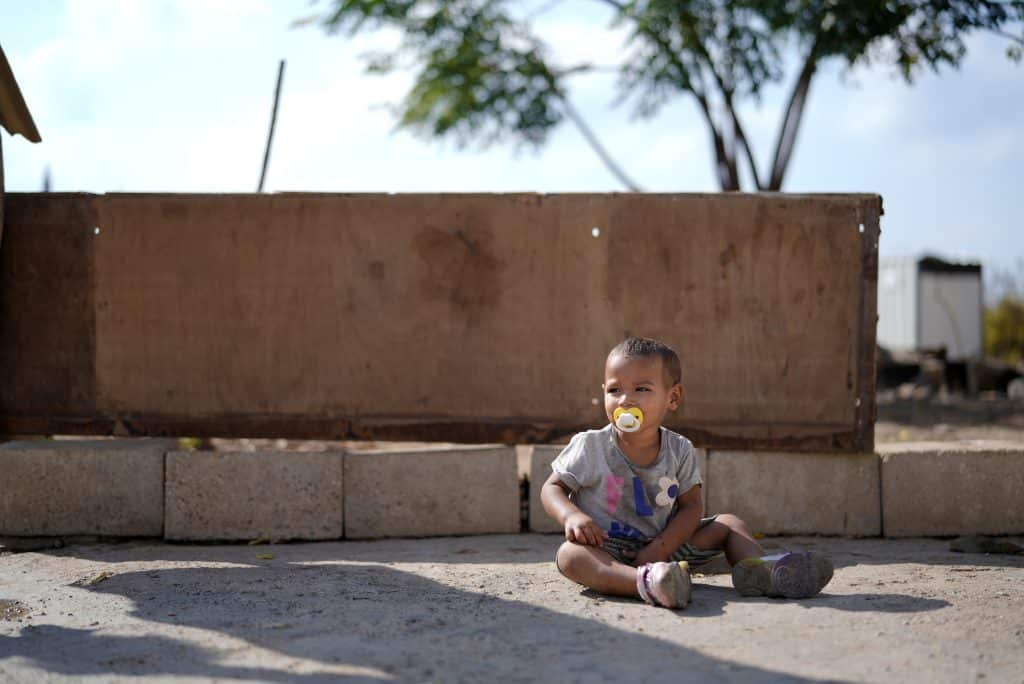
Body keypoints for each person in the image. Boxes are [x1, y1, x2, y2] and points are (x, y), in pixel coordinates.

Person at [540, 337, 833, 608]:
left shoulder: (679, 448)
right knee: (570, 556)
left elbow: (691, 507)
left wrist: (661, 548)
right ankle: (647, 584)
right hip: (608, 548)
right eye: (615, 389)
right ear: (603, 393)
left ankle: (763, 571)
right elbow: (552, 488)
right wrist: (571, 515)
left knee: (729, 524)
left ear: (673, 397)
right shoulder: (590, 445)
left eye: (641, 389)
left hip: (668, 546)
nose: (625, 400)